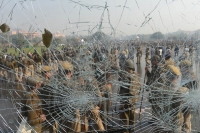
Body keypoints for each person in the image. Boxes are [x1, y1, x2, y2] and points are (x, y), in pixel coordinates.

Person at [119, 60, 141, 133]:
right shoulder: (136, 76)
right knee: (132, 116)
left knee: (125, 117)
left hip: (126, 101)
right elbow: (139, 89)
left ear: (127, 68)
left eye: (125, 68)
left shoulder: (126, 78)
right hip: (133, 101)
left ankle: (126, 130)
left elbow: (123, 91)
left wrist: (121, 102)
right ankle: (132, 129)